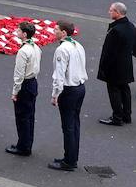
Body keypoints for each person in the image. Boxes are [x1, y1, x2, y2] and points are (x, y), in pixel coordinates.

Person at [48, 20, 87, 171]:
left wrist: (55, 94)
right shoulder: (78, 45)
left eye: (56, 29)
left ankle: (69, 161)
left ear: (64, 32)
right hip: (80, 87)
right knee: (75, 124)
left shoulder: (62, 49)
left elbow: (59, 74)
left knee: (68, 126)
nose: (54, 31)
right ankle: (71, 156)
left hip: (68, 90)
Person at [97, 2, 136, 126]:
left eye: (111, 10)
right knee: (125, 89)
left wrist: (103, 67)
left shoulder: (115, 30)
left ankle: (117, 117)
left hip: (114, 66)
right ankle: (126, 115)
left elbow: (109, 52)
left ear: (117, 13)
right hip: (126, 63)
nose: (109, 12)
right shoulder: (130, 26)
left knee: (114, 91)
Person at [7, 21, 40, 156]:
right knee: (29, 116)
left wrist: (15, 92)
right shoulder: (36, 47)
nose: (17, 31)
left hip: (25, 85)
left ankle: (23, 146)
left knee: (22, 117)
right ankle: (27, 143)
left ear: (24, 34)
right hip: (33, 82)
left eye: (19, 30)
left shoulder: (23, 51)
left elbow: (19, 74)